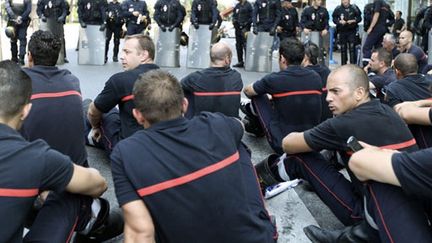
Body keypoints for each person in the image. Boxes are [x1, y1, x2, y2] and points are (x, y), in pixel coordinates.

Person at [111, 69, 277, 242]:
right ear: (184, 104)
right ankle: (260, 220)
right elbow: (238, 126)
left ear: (138, 115)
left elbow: (141, 233)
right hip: (256, 238)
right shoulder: (215, 124)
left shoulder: (125, 153)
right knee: (238, 146)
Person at [275, 65, 420, 242]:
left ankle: (258, 181)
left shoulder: (342, 124)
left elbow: (288, 144)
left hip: (371, 217)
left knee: (299, 157)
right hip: (410, 218)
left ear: (359, 93)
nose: (328, 98)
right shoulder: (387, 111)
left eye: (336, 91)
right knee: (342, 151)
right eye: (327, 92)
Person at [19, 30, 123, 243]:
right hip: (78, 171)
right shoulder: (71, 80)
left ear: (29, 56)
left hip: (39, 177)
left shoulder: (19, 86)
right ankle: (90, 216)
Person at [0, 60, 108, 242]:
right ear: (26, 111)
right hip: (61, 173)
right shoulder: (36, 157)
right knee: (69, 194)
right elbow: (99, 184)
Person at [242, 38, 322, 154]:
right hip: (309, 141)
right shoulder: (315, 77)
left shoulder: (274, 79)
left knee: (258, 96)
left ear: (283, 59)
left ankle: (252, 119)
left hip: (283, 143)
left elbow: (248, 91)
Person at [86, 34, 159, 154]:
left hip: (127, 151)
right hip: (160, 146)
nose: (122, 57)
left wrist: (95, 127)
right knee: (111, 109)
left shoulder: (120, 80)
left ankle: (88, 136)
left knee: (92, 107)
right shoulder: (169, 79)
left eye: (127, 52)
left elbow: (93, 112)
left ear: (144, 55)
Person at [181, 42, 243, 118]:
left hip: (203, 124)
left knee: (187, 90)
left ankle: (192, 119)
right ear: (227, 59)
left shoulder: (195, 78)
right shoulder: (236, 76)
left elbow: (178, 87)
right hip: (229, 125)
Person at [385, 53, 432, 149]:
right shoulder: (429, 80)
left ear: (397, 72)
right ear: (417, 67)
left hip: (418, 146)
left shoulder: (393, 88)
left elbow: (396, 119)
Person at [302, 41, 331, 122]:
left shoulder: (302, 74)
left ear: (305, 57)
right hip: (326, 119)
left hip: (309, 121)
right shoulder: (327, 71)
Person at [362, 0, 393, 66]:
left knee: (366, 47)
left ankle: (367, 66)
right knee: (378, 48)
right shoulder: (386, 5)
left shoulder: (378, 2)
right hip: (383, 29)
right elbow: (392, 18)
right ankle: (378, 66)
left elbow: (376, 14)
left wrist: (371, 27)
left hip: (376, 28)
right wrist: (386, 24)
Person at [332, 0, 361, 65]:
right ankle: (343, 65)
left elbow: (359, 18)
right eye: (344, 0)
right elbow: (334, 19)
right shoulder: (338, 8)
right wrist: (339, 22)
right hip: (342, 31)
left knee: (352, 48)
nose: (345, 1)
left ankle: (353, 65)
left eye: (346, 0)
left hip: (352, 31)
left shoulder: (354, 8)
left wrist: (354, 20)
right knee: (343, 48)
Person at [5, 0, 32, 65]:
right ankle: (16, 59)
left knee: (21, 39)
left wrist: (20, 18)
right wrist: (16, 17)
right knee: (13, 40)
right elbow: (7, 7)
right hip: (14, 21)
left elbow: (28, 9)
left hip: (22, 21)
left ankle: (20, 59)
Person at [232, 0, 252, 68]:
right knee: (238, 45)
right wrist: (234, 20)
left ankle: (247, 62)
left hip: (245, 28)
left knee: (245, 44)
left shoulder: (248, 5)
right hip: (237, 28)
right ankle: (240, 61)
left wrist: (246, 23)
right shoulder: (237, 5)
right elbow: (234, 15)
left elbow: (252, 17)